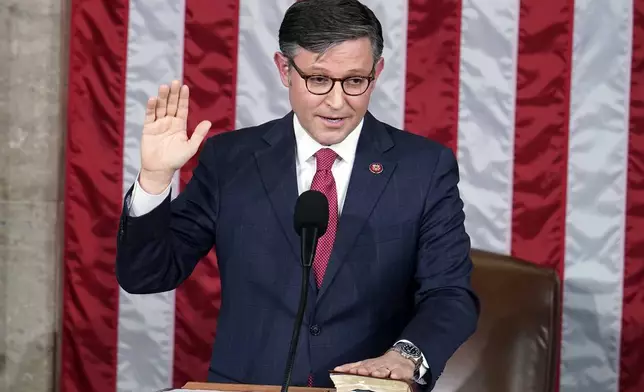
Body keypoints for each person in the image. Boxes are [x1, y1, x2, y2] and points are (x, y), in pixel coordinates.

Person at [115, 0, 479, 389]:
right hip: (252, 385)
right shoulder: (230, 161)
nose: (337, 102)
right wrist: (155, 180)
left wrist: (403, 356)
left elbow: (449, 294)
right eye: (319, 80)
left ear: (377, 72)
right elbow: (147, 276)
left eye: (355, 81)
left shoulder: (422, 168)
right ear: (284, 70)